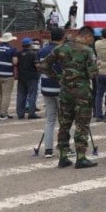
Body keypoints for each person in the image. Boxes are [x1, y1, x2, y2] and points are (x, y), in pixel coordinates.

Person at [39, 25, 99, 169]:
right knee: (81, 125)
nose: (91, 42)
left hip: (65, 92)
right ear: (87, 37)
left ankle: (63, 156)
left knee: (64, 125)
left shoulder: (60, 48)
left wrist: (59, 77)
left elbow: (44, 66)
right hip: (82, 94)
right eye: (91, 39)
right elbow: (92, 74)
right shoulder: (88, 51)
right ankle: (81, 157)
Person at [37, 28, 66, 158]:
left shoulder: (41, 51)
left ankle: (48, 150)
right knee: (64, 120)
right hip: (61, 88)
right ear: (62, 37)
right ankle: (64, 147)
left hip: (46, 88)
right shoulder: (63, 51)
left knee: (50, 120)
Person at [0, 32, 18, 121]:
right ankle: (3, 113)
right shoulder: (13, 49)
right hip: (7, 74)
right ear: (10, 40)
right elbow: (14, 62)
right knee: (6, 94)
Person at [15, 38, 41, 119]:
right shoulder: (33, 54)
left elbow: (15, 63)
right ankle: (31, 113)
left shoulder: (18, 53)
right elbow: (37, 66)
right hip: (32, 77)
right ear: (30, 44)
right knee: (32, 94)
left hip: (21, 77)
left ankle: (20, 113)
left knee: (21, 95)